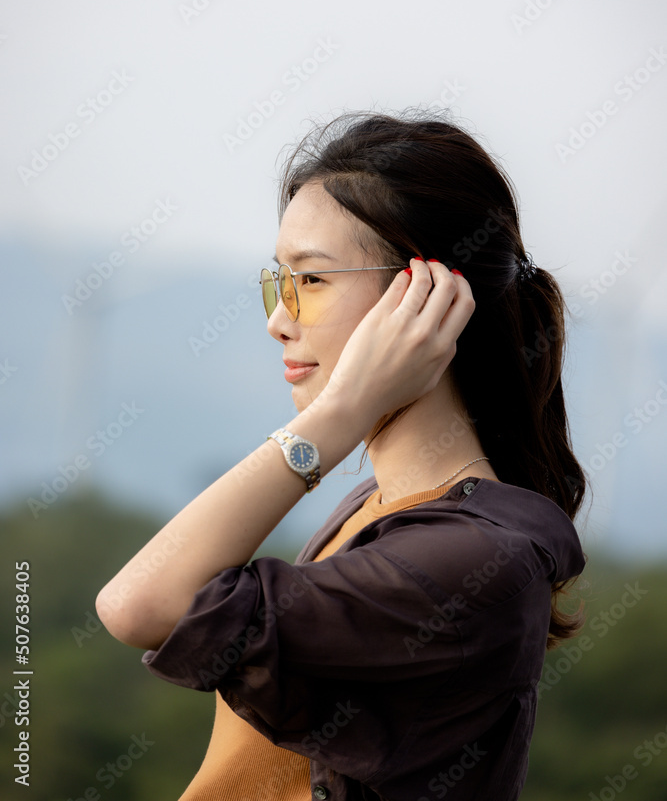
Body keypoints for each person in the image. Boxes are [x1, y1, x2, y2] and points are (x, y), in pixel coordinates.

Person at [96, 110, 588, 801]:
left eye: (313, 280)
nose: (278, 318)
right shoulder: (378, 507)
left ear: (425, 297)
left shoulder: (475, 559)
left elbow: (138, 602)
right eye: (279, 280)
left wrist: (340, 413)